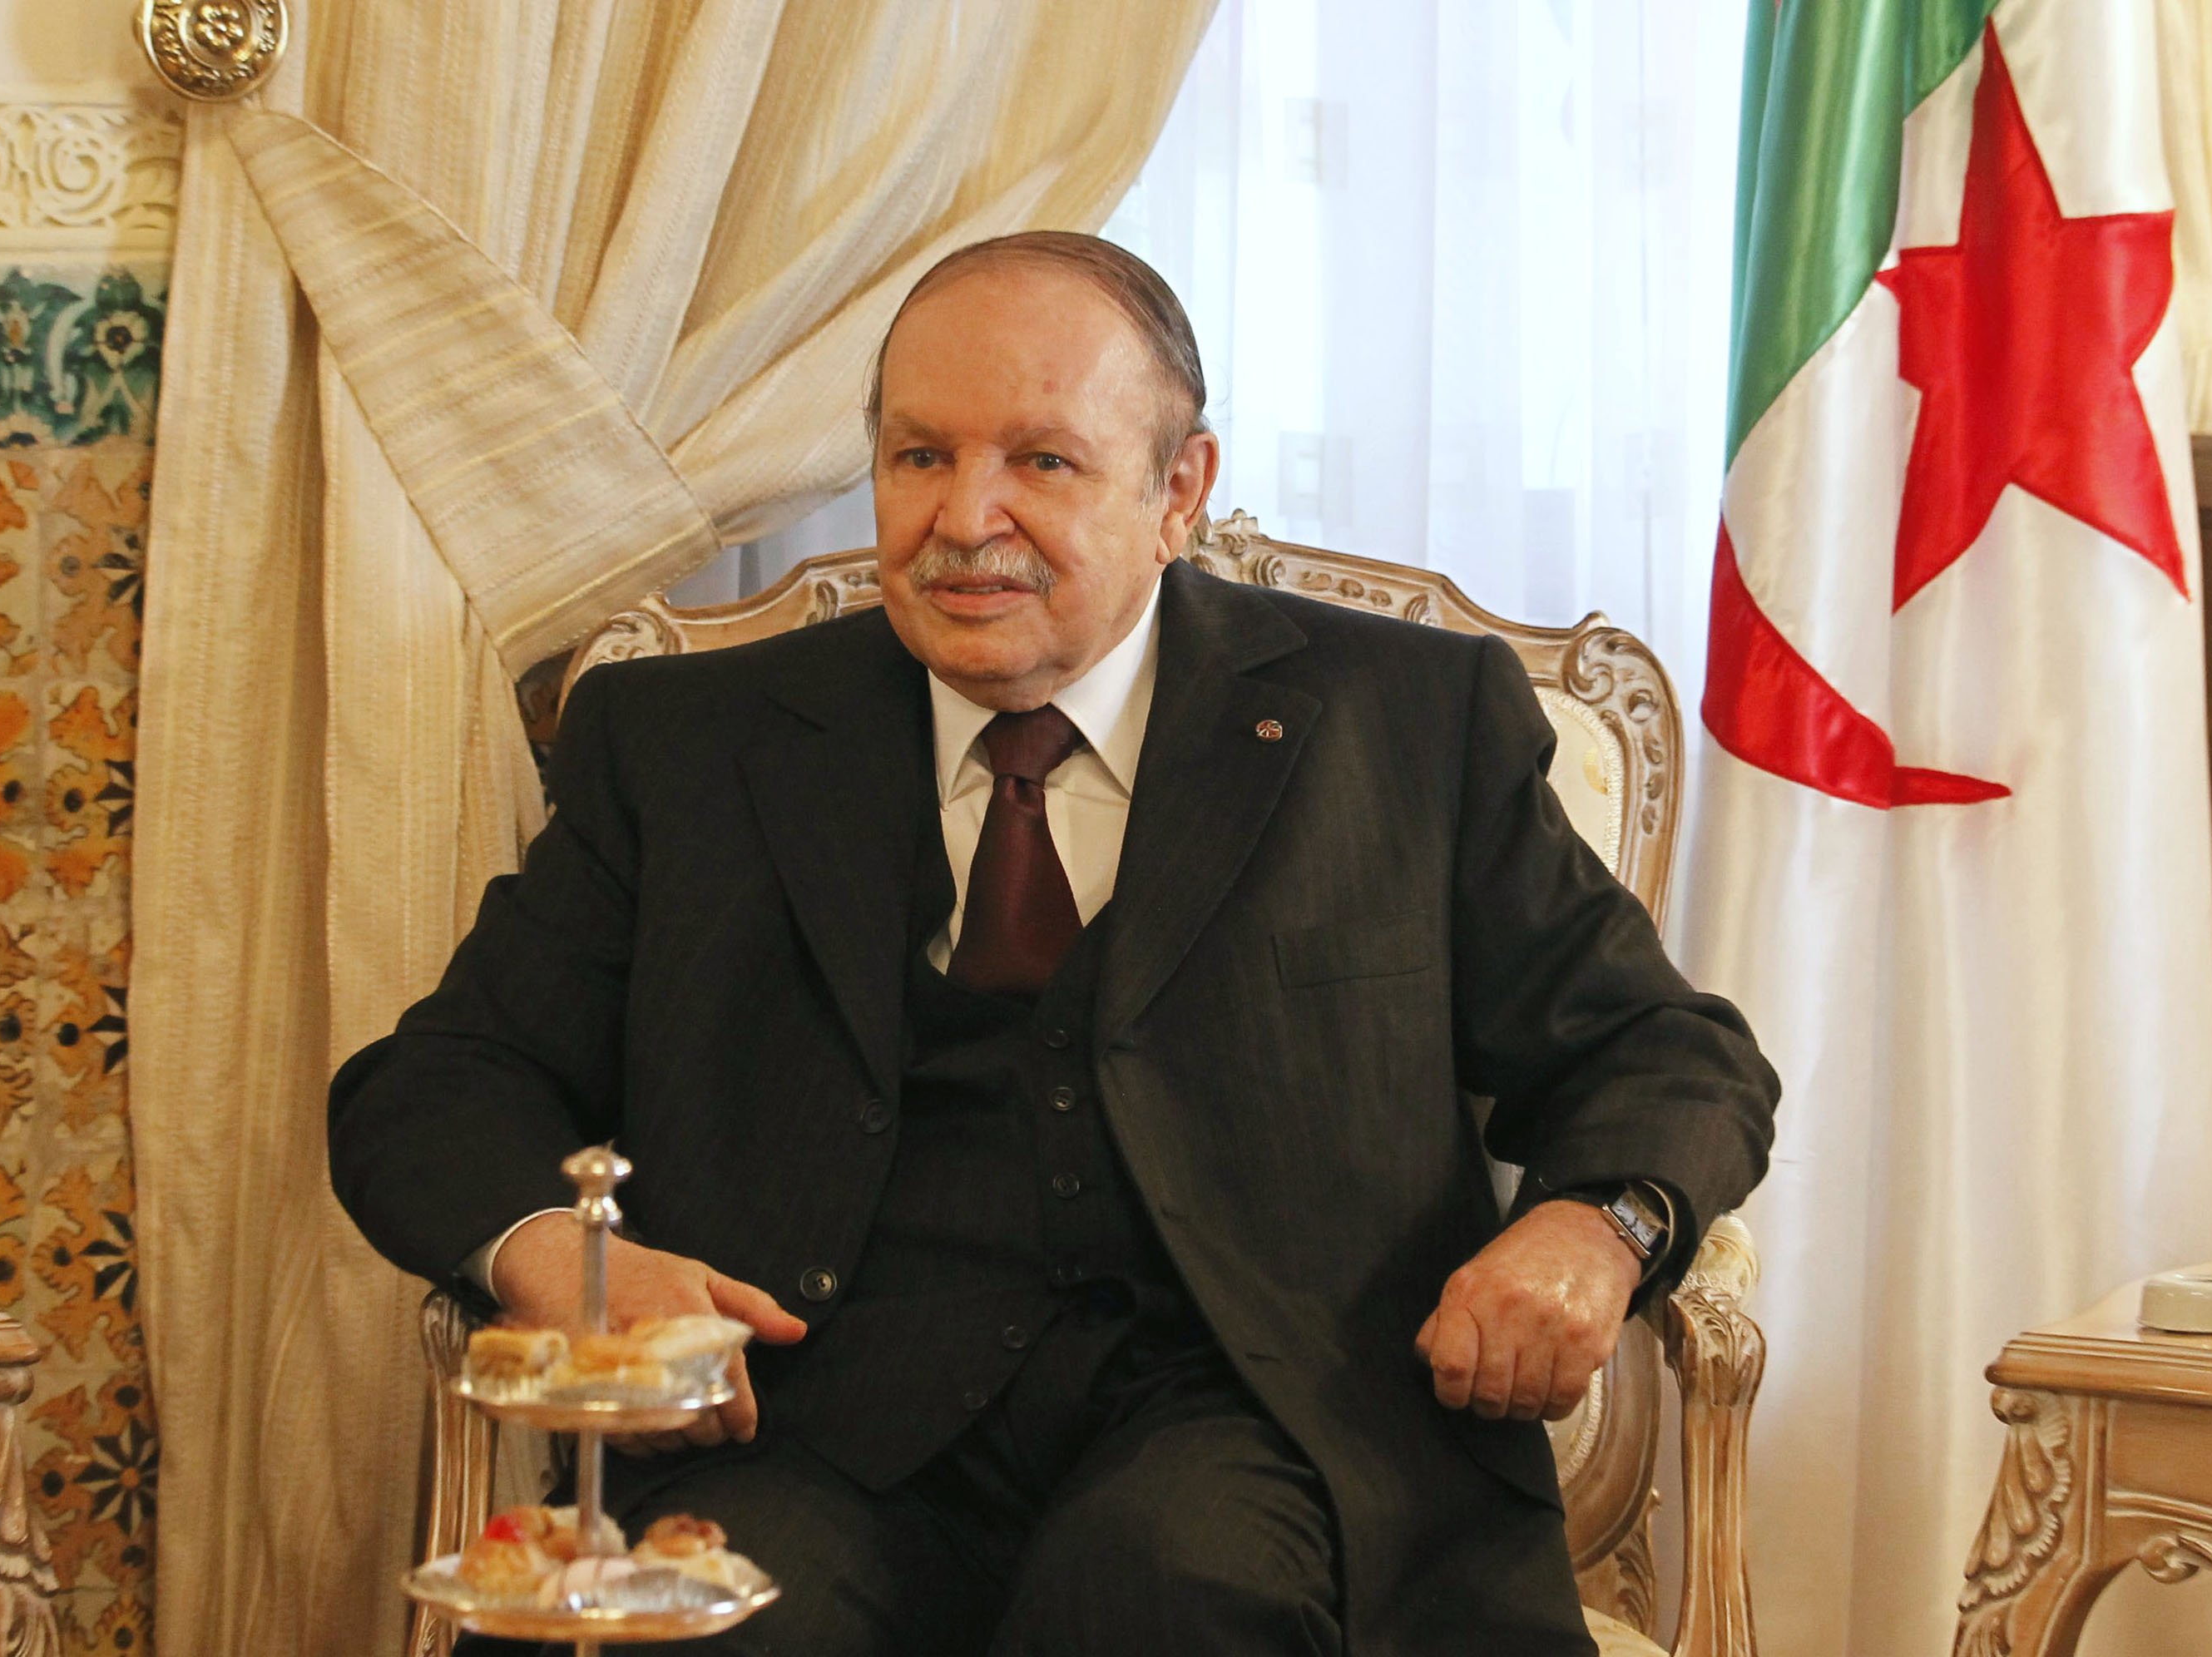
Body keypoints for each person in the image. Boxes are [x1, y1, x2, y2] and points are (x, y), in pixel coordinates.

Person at [328, 231, 1778, 1657]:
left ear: (1178, 490)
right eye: (919, 456)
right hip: (812, 1429)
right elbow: (437, 1087)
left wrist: (1603, 1228)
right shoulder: (689, 746)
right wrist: (562, 1266)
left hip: (1261, 1421)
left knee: (1168, 1592)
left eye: (1043, 460)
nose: (966, 518)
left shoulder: (1404, 724)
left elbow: (1666, 1055)